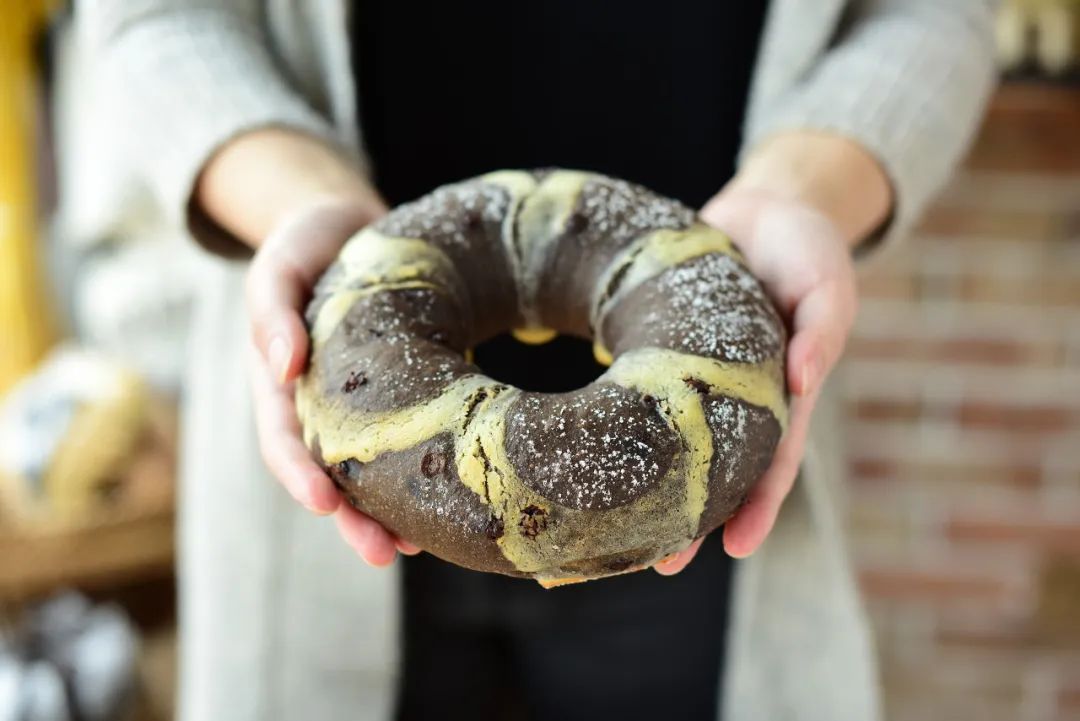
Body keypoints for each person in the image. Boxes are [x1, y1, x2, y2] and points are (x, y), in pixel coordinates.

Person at [78, 1, 997, 720]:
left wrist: (800, 189)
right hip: (333, 454)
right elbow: (151, 16)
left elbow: (936, 14)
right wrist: (295, 195)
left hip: (707, 483)